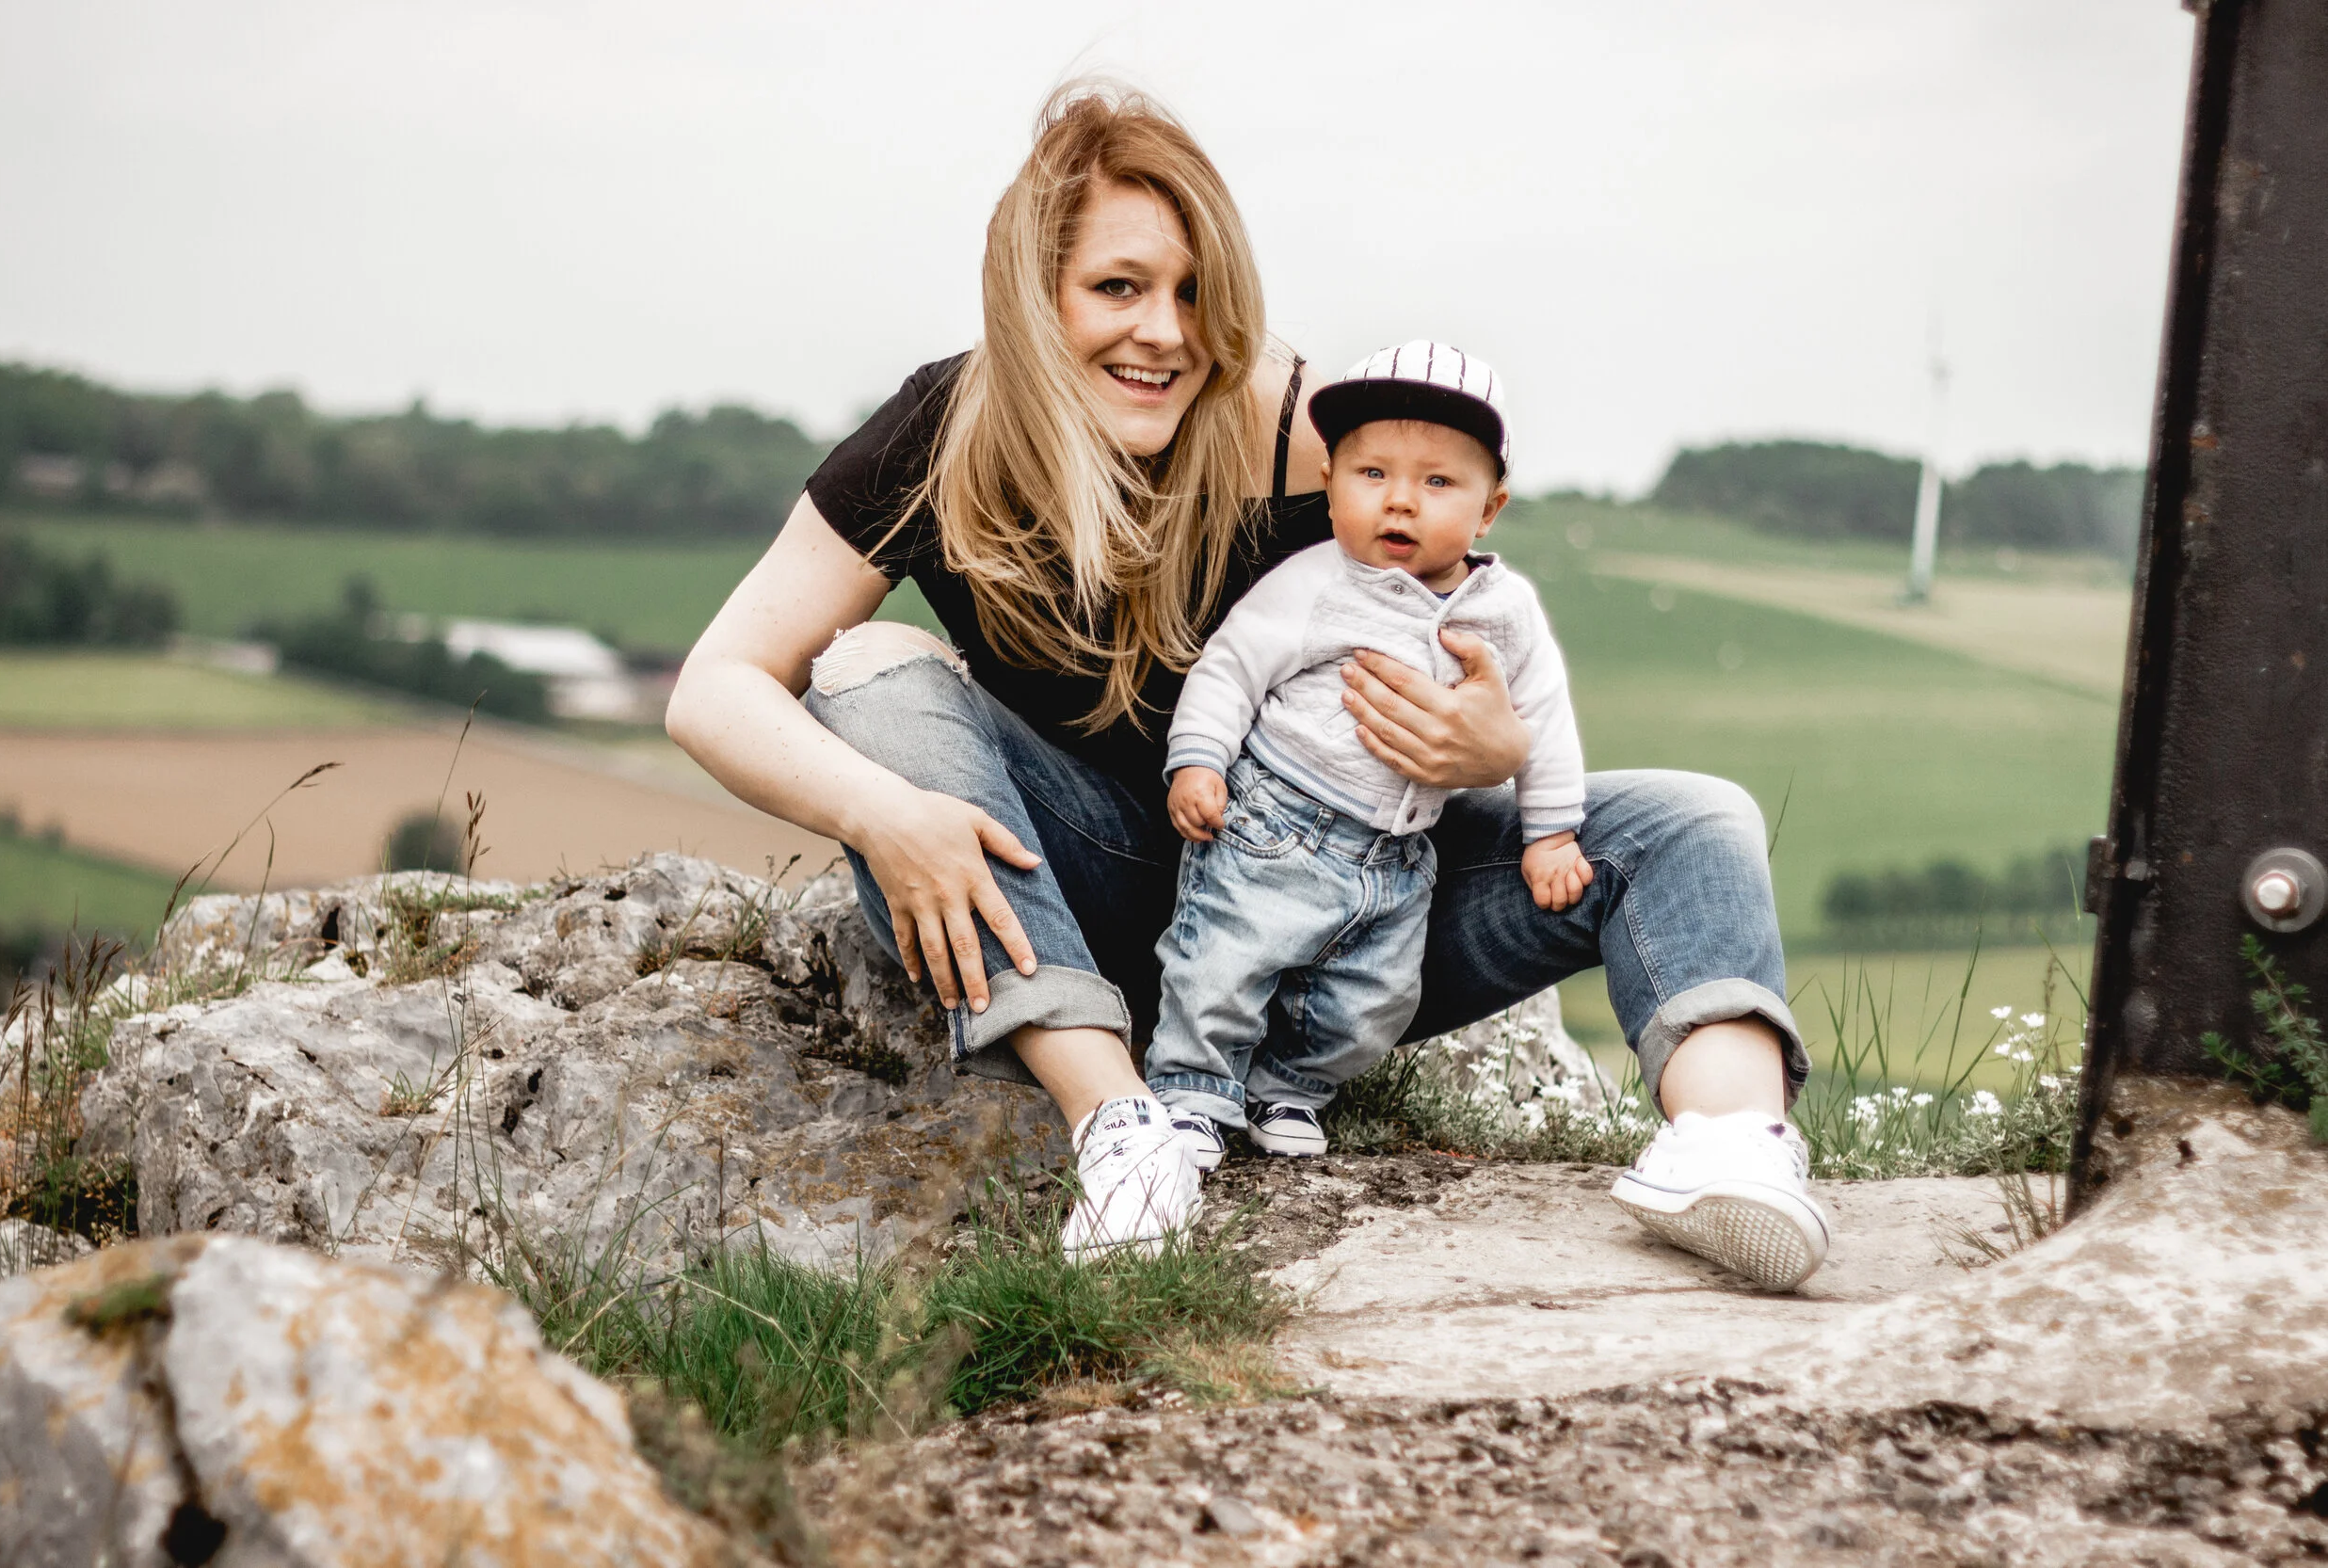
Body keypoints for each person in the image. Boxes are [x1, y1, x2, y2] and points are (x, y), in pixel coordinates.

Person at [666, 84, 1829, 1287]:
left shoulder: (1304, 434)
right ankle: (1123, 1131)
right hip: (1088, 894)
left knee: (1695, 819)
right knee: (869, 672)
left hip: (1337, 925)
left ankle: (1730, 1148)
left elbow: (1473, 611)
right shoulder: (941, 433)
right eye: (1118, 287)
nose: (1165, 332)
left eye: (1194, 292)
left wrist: (1495, 745)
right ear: (1031, 293)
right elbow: (715, 687)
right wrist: (884, 817)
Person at [1147, 342, 1590, 1168]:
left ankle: (1289, 1087)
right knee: (1226, 959)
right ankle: (1192, 1093)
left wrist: (1552, 832)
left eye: (1438, 482)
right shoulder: (1316, 584)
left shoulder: (1507, 611)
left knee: (1373, 999)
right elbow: (1230, 667)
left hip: (1400, 852)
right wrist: (1199, 760)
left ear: (1490, 510)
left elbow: (1543, 717)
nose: (1400, 501)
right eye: (1372, 473)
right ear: (1331, 483)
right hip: (1277, 820)